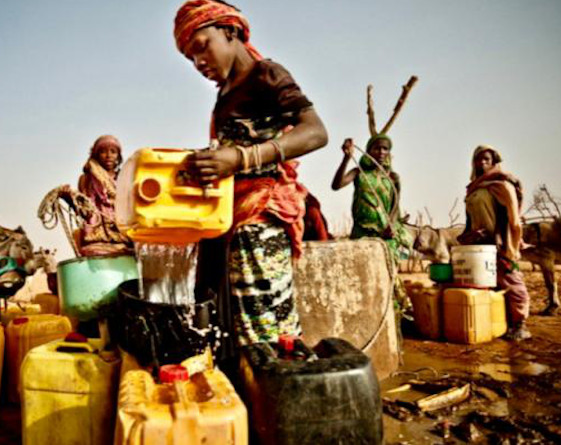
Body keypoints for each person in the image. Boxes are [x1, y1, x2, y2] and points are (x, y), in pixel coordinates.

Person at [174, 0, 328, 354]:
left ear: (229, 31)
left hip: (260, 217)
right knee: (225, 322)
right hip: (228, 217)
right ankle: (246, 397)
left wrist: (241, 158)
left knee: (265, 329)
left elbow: (316, 132)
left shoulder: (265, 75)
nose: (199, 63)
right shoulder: (225, 95)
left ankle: (275, 395)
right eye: (190, 58)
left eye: (201, 47)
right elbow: (233, 150)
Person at [331, 135, 413, 324]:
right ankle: (367, 318)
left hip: (385, 236)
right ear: (368, 151)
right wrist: (346, 157)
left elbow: (394, 207)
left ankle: (396, 318)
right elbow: (336, 185)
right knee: (362, 277)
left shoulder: (392, 178)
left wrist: (391, 226)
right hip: (362, 233)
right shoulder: (358, 172)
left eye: (385, 149)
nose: (381, 152)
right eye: (377, 148)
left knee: (389, 277)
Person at [458, 145, 531, 341]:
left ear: (494, 161)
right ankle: (501, 323)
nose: (482, 163)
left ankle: (520, 324)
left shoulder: (502, 185)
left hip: (499, 242)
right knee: (489, 284)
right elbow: (470, 218)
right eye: (478, 159)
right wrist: (468, 236)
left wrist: (510, 246)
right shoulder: (474, 188)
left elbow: (513, 220)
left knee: (512, 280)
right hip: (479, 244)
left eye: (487, 159)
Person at [76, 134, 133, 256]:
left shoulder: (125, 178)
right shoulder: (86, 179)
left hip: (123, 231)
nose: (109, 156)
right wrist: (67, 197)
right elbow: (84, 209)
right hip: (97, 235)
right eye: (103, 152)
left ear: (118, 155)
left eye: (113, 152)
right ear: (96, 155)